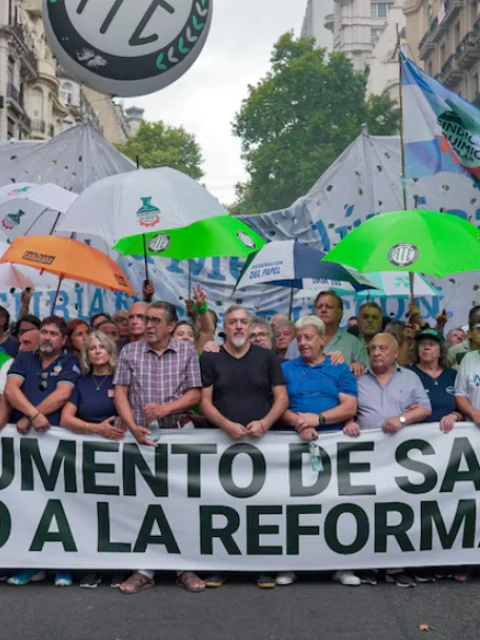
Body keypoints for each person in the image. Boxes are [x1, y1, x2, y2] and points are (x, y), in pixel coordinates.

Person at [114, 301, 204, 595]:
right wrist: (132, 426)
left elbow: (195, 395)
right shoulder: (130, 351)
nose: (148, 325)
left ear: (171, 326)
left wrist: (166, 409)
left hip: (179, 435)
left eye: (155, 320)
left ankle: (184, 567)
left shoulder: (187, 351)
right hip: (141, 436)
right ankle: (144, 569)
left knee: (182, 503)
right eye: (146, 319)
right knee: (143, 504)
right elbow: (121, 393)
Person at [200, 306, 288, 590]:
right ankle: (221, 567)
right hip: (221, 444)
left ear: (250, 327)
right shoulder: (211, 358)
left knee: (262, 507)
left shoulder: (267, 358)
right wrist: (226, 425)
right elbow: (204, 402)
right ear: (224, 327)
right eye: (232, 322)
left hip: (262, 444)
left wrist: (265, 423)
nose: (238, 326)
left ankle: (262, 567)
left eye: (243, 322)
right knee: (222, 507)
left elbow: (282, 398)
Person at [343, 333, 432, 588]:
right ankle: (367, 565)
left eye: (383, 348)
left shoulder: (410, 377)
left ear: (395, 352)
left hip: (400, 457)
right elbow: (346, 406)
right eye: (372, 348)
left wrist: (402, 419)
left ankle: (395, 566)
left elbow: (425, 408)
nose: (376, 353)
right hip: (365, 455)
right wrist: (349, 421)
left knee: (397, 509)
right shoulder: (357, 376)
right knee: (365, 508)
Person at [281, 315, 358, 587]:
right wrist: (300, 423)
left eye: (308, 337)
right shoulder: (285, 369)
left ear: (322, 340)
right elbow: (278, 405)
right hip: (295, 444)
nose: (302, 343)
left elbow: (350, 407)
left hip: (334, 446)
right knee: (295, 507)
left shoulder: (339, 368)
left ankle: (342, 565)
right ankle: (290, 564)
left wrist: (319, 419)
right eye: (299, 338)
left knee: (337, 506)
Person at [4, 316, 81, 588]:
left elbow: (63, 394)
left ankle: (63, 565)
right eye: (44, 332)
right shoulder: (25, 358)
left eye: (53, 334)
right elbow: (11, 390)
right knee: (29, 503)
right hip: (26, 443)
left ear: (64, 339)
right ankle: (32, 565)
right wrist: (33, 415)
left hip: (57, 443)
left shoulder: (71, 362)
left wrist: (30, 416)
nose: (47, 337)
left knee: (61, 504)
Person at [61, 331, 124, 590]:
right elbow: (66, 419)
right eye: (92, 348)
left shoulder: (122, 379)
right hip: (87, 457)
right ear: (86, 355)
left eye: (102, 347)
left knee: (117, 511)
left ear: (110, 350)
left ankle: (119, 567)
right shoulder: (81, 382)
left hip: (119, 455)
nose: (97, 351)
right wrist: (96, 428)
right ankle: (91, 567)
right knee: (89, 511)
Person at [285, 291, 368, 369]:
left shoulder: (354, 344)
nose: (323, 310)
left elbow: (366, 373)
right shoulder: (299, 342)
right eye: (319, 307)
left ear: (340, 312)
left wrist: (358, 366)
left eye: (329, 307)